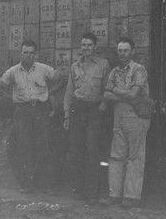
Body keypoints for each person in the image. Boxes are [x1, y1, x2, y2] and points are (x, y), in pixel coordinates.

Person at [0, 40, 65, 193]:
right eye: (25, 52)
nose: (28, 56)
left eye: (31, 53)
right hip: (23, 112)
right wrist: (12, 99)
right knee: (24, 147)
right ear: (21, 53)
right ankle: (26, 185)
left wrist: (48, 93)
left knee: (43, 146)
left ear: (35, 54)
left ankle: (45, 184)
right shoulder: (13, 72)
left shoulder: (43, 69)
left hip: (40, 111)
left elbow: (61, 79)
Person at [99, 37, 151, 209]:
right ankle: (114, 194)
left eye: (125, 50)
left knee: (135, 157)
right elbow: (106, 96)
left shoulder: (139, 70)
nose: (122, 54)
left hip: (136, 117)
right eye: (120, 50)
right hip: (119, 117)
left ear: (132, 51)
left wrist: (113, 90)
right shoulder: (114, 72)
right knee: (116, 156)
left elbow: (133, 95)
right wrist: (119, 93)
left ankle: (131, 197)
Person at [63, 32, 110, 204]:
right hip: (77, 110)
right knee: (76, 151)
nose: (86, 48)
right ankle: (78, 190)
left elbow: (108, 89)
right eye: (83, 45)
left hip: (93, 111)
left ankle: (92, 194)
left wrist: (101, 108)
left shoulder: (103, 65)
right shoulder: (75, 66)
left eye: (89, 45)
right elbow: (69, 91)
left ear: (95, 47)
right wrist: (67, 114)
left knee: (92, 151)